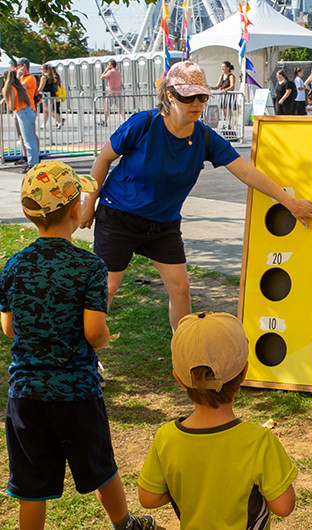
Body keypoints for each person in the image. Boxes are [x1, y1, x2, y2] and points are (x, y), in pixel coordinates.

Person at [80, 61, 312, 331]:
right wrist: (89, 204)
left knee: (181, 288)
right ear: (170, 95)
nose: (196, 103)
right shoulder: (144, 124)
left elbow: (247, 173)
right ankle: (82, 354)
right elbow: (102, 161)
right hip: (119, 217)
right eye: (188, 96)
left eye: (202, 96)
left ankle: (186, 355)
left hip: (162, 224)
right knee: (108, 287)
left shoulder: (206, 137)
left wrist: (289, 202)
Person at [0, 161, 155, 530]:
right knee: (100, 466)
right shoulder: (88, 267)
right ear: (75, 210)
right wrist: (104, 339)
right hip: (77, 393)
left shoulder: (14, 265)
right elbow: (93, 332)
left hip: (26, 395)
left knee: (32, 486)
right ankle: (125, 524)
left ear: (28, 213)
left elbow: (8, 328)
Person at [137, 311, 298, 528]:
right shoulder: (259, 441)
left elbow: (148, 498)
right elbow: (283, 507)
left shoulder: (165, 437)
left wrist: (192, 485)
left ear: (179, 379)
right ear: (244, 372)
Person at [1, 68, 39, 172]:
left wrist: (6, 98)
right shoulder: (19, 87)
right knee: (31, 139)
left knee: (28, 140)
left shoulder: (11, 89)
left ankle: (32, 164)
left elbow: (12, 106)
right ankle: (34, 162)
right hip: (28, 111)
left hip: (22, 113)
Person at [211, 61, 236, 130]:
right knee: (224, 109)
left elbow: (232, 86)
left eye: (224, 67)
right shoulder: (222, 76)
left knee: (228, 109)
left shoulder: (231, 76)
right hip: (223, 96)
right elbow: (217, 86)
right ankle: (225, 123)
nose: (222, 68)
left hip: (229, 95)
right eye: (222, 67)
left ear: (228, 68)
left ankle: (229, 124)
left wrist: (226, 90)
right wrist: (210, 87)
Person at [38, 63, 63, 129]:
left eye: (41, 69)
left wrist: (36, 92)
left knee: (48, 111)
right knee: (47, 111)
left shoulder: (44, 77)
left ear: (45, 70)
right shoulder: (52, 76)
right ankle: (44, 124)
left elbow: (41, 87)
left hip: (46, 95)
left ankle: (59, 121)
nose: (41, 70)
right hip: (52, 95)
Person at [100, 59, 123, 127]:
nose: (108, 66)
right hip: (118, 92)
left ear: (111, 66)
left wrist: (106, 69)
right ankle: (125, 120)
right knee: (121, 108)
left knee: (107, 107)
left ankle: (105, 121)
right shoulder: (118, 72)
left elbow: (102, 77)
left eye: (108, 65)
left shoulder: (110, 72)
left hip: (110, 93)